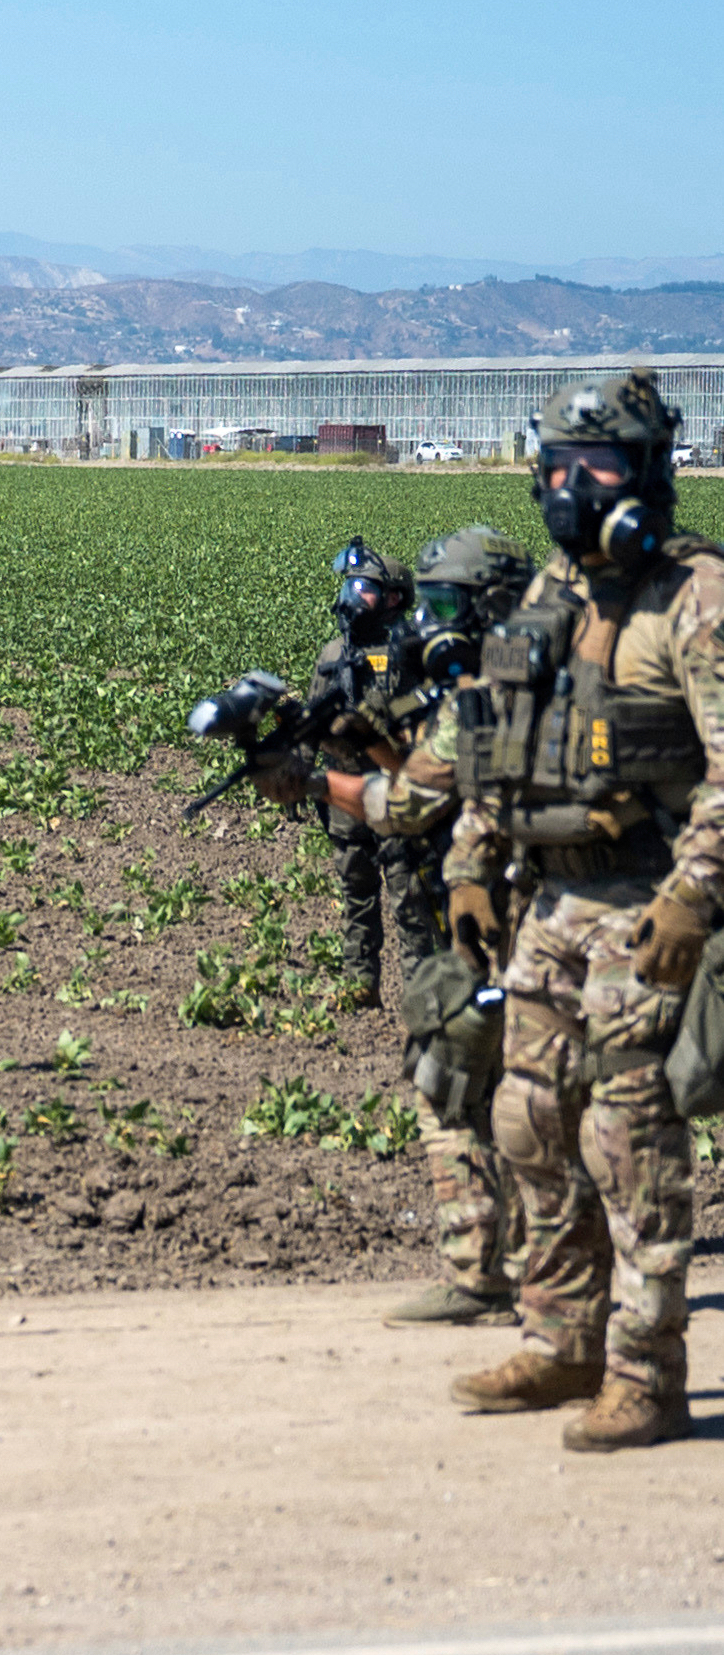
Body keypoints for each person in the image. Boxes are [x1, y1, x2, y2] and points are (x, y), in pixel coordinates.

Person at [437, 372, 722, 1451]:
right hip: (549, 903)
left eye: (596, 468)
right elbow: (495, 751)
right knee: (529, 1119)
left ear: (648, 475)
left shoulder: (695, 597)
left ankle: (645, 1375)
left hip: (647, 900)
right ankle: (561, 1341)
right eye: (556, 467)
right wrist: (470, 863)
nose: (572, 487)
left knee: (628, 1141)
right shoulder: (550, 592)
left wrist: (694, 893)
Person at [302, 527, 533, 1327]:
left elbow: (405, 803)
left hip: (543, 927)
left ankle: (525, 1287)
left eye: (444, 606)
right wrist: (357, 750)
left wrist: (315, 777)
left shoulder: (501, 695)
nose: (429, 623)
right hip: (511, 922)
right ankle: (520, 1283)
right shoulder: (519, 685)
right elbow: (412, 788)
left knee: (499, 1093)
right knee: (496, 1092)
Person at [312, 537, 417, 1004]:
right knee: (356, 891)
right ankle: (360, 983)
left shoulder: (412, 653)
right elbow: (315, 717)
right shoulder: (333, 654)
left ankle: (422, 993)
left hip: (398, 791)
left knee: (410, 898)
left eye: (366, 588)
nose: (354, 597)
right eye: (351, 586)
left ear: (394, 598)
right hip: (346, 790)